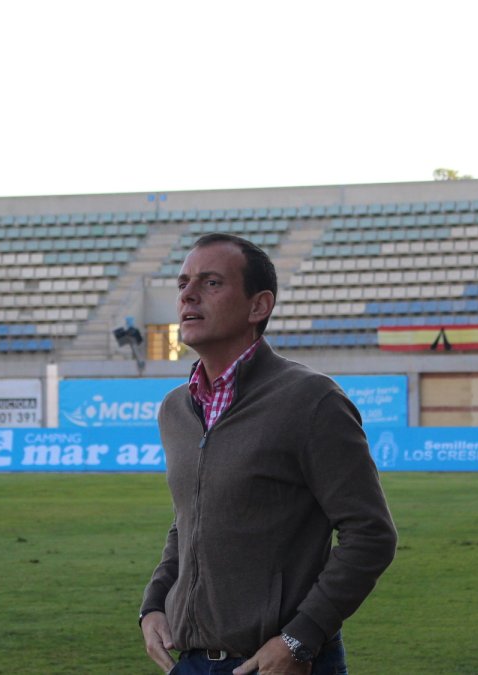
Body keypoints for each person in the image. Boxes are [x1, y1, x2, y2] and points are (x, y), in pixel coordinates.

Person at [139, 233, 398, 674]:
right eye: (183, 283)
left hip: (281, 662)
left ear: (259, 306)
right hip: (191, 662)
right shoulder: (175, 408)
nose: (188, 295)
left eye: (211, 283)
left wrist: (300, 637)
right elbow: (189, 521)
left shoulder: (312, 400)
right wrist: (153, 605)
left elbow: (371, 534)